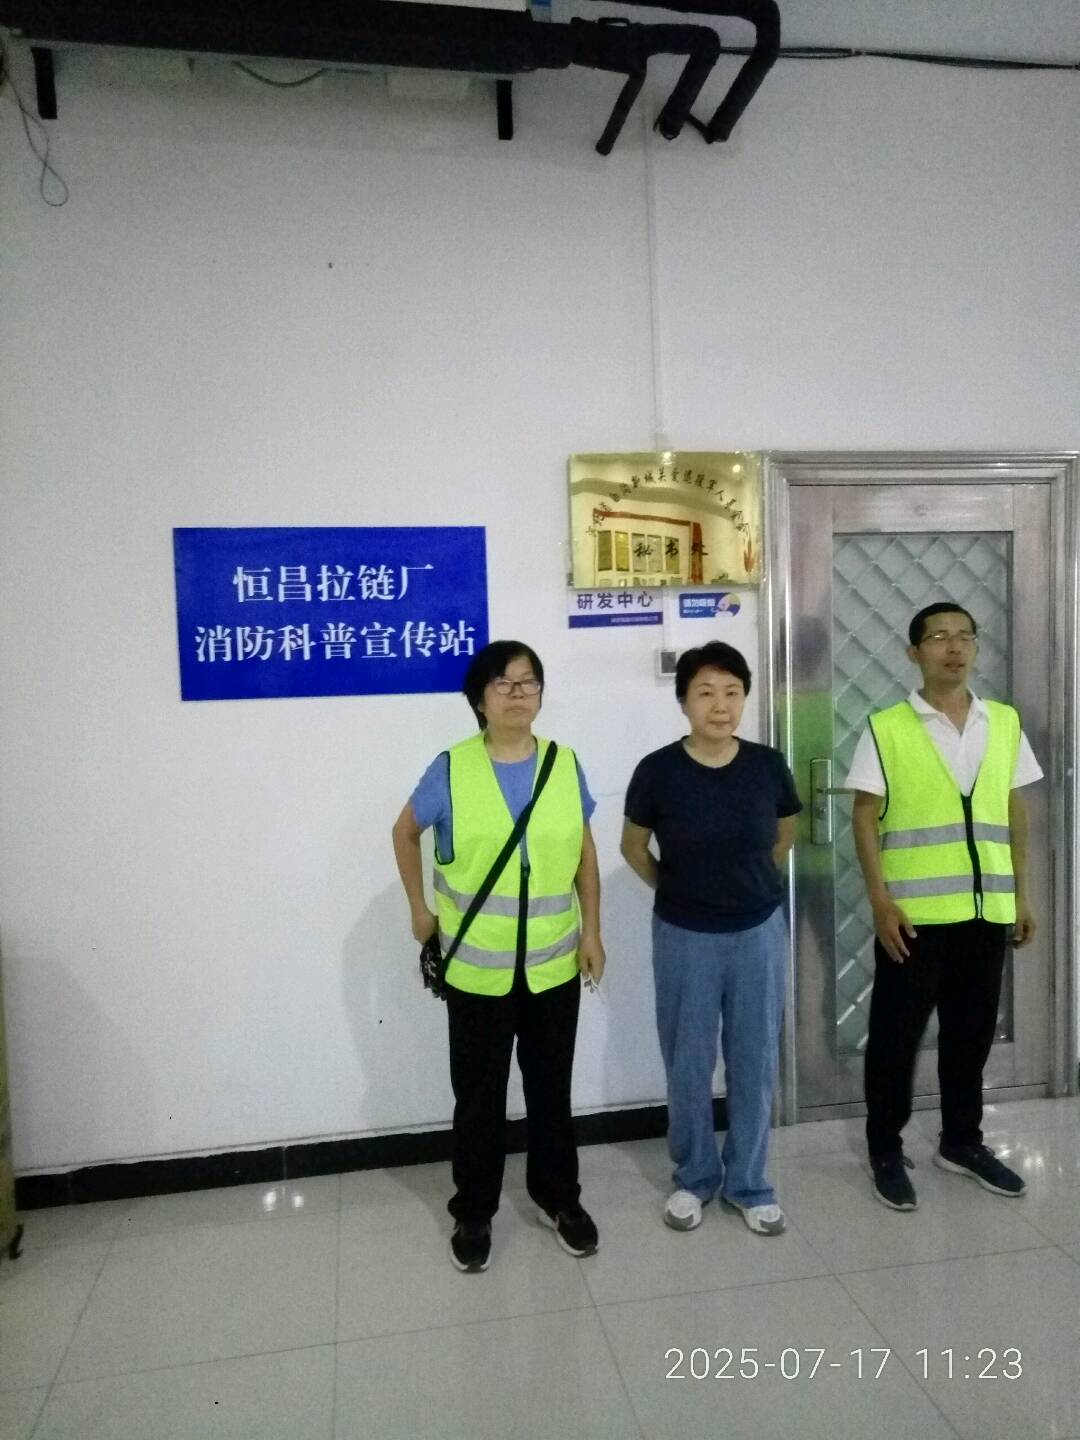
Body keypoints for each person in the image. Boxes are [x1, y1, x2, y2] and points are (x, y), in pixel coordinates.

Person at [391, 640, 605, 1273]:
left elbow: (585, 853)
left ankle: (559, 1198)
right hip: (476, 968)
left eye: (528, 681)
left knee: (551, 1091)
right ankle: (474, 1210)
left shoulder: (564, 763)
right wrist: (419, 909)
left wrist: (592, 932)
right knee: (479, 1098)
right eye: (503, 683)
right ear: (479, 699)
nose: (518, 693)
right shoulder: (452, 767)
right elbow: (404, 831)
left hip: (552, 965)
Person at [845, 602, 1042, 1212]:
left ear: (975, 648)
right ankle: (885, 1149)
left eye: (964, 637)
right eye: (939, 638)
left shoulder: (1002, 721)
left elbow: (1013, 808)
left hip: (987, 912)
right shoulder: (887, 728)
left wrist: (1022, 895)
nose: (954, 648)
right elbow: (863, 816)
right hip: (914, 918)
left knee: (970, 1035)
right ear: (915, 653)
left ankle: (962, 1142)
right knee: (896, 1040)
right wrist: (880, 900)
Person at [621, 641, 800, 1236]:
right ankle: (694, 1176)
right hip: (685, 936)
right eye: (705, 692)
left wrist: (756, 882)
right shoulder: (657, 770)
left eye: (732, 692)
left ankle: (749, 1182)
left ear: (744, 699)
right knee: (689, 1063)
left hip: (758, 933)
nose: (720, 705)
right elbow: (633, 847)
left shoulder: (768, 765)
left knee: (755, 1059)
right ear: (683, 702)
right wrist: (676, 889)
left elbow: (785, 831)